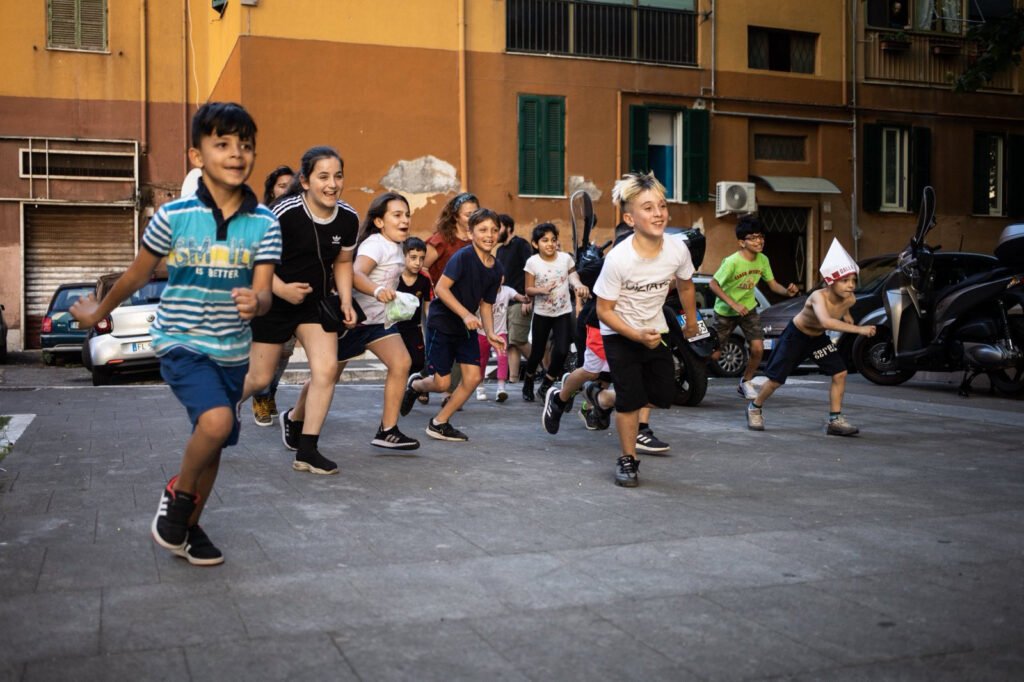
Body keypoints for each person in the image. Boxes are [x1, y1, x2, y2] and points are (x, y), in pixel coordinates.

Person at [70, 102, 281, 565]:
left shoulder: (265, 223)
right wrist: (97, 311)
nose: (235, 153)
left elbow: (264, 293)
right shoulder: (174, 216)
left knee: (214, 443)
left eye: (245, 145)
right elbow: (137, 275)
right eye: (222, 143)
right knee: (217, 422)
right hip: (182, 341)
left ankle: (188, 529)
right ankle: (178, 497)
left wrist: (256, 301)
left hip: (232, 351)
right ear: (196, 154)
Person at [240, 146, 359, 475]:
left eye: (338, 176)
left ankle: (307, 450)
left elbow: (344, 261)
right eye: (323, 177)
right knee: (258, 378)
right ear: (305, 181)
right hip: (274, 301)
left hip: (314, 306)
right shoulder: (281, 212)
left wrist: (346, 300)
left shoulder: (348, 217)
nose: (332, 184)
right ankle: (218, 412)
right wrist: (281, 289)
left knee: (325, 372)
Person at [288, 192, 420, 449]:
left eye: (407, 215)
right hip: (353, 323)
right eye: (397, 215)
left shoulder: (398, 247)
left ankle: (387, 430)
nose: (404, 220)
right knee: (326, 378)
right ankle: (294, 418)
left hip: (378, 324)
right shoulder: (375, 244)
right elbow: (354, 272)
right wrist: (377, 291)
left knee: (402, 362)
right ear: (380, 221)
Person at [592, 172, 699, 488]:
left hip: (657, 330)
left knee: (662, 395)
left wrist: (690, 322)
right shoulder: (618, 260)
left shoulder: (678, 248)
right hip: (620, 332)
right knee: (630, 400)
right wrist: (635, 335)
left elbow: (686, 285)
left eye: (662, 206)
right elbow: (603, 311)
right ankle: (627, 460)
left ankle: (603, 398)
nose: (659, 213)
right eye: (648, 208)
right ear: (630, 218)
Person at [747, 238, 876, 436]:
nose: (851, 285)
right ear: (830, 282)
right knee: (776, 380)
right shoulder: (818, 296)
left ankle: (835, 419)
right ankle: (754, 407)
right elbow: (825, 322)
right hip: (795, 336)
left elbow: (845, 309)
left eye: (853, 280)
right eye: (845, 281)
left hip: (817, 339)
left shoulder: (850, 298)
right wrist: (860, 330)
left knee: (840, 372)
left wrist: (848, 317)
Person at [400, 208, 505, 442]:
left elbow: (486, 304)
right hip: (443, 322)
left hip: (466, 327)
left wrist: (489, 333)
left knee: (472, 378)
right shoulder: (463, 256)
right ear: (471, 232)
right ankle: (417, 385)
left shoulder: (496, 268)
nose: (489, 235)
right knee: (442, 383)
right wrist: (466, 314)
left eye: (494, 230)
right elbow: (441, 289)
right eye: (483, 230)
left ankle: (439, 423)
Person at [542, 324, 671, 454]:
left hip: (635, 327)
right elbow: (603, 309)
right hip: (603, 326)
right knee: (591, 372)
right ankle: (560, 399)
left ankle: (636, 424)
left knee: (641, 380)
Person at [710, 215, 799, 400]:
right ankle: (692, 378)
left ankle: (746, 382)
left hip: (748, 309)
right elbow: (713, 284)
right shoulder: (732, 262)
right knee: (715, 354)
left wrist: (787, 292)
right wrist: (733, 303)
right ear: (742, 243)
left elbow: (773, 285)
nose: (759, 241)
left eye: (761, 236)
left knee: (758, 348)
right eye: (753, 238)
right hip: (726, 311)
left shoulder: (763, 260)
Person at [521, 223, 589, 402]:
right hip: (542, 314)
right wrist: (541, 290)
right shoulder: (532, 262)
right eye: (544, 240)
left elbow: (573, 276)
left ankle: (546, 385)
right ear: (536, 244)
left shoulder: (565, 258)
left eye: (553, 240)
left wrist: (578, 285)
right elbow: (528, 289)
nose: (550, 244)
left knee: (561, 351)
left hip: (563, 313)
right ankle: (528, 380)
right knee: (536, 353)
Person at [251, 165, 296, 426]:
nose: (287, 191)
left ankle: (271, 392)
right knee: (267, 352)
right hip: (266, 298)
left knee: (284, 353)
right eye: (282, 186)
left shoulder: (301, 217)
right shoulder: (262, 220)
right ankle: (260, 395)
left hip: (292, 300)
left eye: (291, 186)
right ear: (271, 191)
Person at [424, 192, 480, 404]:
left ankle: (447, 394)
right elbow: (421, 267)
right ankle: (425, 383)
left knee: (462, 353)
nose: (472, 219)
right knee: (438, 352)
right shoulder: (441, 240)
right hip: (439, 304)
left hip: (466, 306)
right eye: (468, 215)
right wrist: (431, 292)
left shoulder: (477, 242)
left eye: (476, 214)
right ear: (455, 216)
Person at [475, 276, 529, 402]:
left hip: (500, 333)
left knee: (502, 357)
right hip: (482, 332)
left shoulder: (507, 291)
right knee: (482, 360)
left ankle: (501, 388)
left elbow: (518, 297)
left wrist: (526, 298)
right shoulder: (481, 291)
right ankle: (480, 386)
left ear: (503, 278)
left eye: (499, 276)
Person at [495, 213, 533, 382]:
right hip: (505, 302)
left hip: (520, 300)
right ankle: (513, 379)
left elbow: (531, 270)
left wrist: (528, 297)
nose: (496, 232)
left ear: (509, 228)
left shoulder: (520, 244)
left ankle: (541, 369)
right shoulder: (500, 250)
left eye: (499, 228)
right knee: (510, 342)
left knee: (518, 339)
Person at [396, 236, 432, 384]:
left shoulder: (424, 279)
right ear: (403, 256)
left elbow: (428, 305)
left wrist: (431, 324)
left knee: (418, 360)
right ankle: (405, 389)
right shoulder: (394, 275)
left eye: (421, 258)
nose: (418, 263)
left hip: (413, 327)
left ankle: (415, 387)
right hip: (393, 327)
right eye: (413, 257)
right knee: (400, 362)